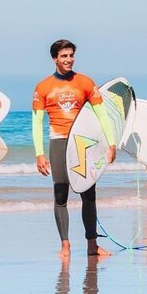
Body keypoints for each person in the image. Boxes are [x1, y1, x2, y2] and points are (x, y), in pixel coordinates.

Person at [32, 39, 117, 257]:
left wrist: (111, 142)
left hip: (82, 142)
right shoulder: (43, 87)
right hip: (59, 141)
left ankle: (92, 244)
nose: (68, 59)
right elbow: (36, 122)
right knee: (60, 194)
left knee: (88, 194)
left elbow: (102, 114)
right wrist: (40, 154)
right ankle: (65, 245)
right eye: (64, 56)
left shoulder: (86, 83)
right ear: (54, 59)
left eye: (71, 55)